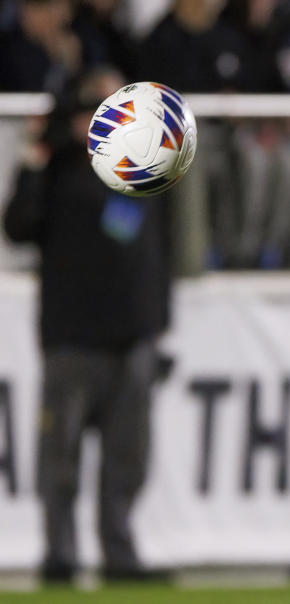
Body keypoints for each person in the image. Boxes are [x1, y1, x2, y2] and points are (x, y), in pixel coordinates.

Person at [2, 68, 171, 582]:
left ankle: (119, 555)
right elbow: (18, 226)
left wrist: (157, 327)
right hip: (72, 339)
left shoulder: (145, 175)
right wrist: (37, 158)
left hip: (131, 338)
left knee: (128, 460)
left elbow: (156, 257)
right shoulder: (57, 173)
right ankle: (61, 555)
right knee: (61, 459)